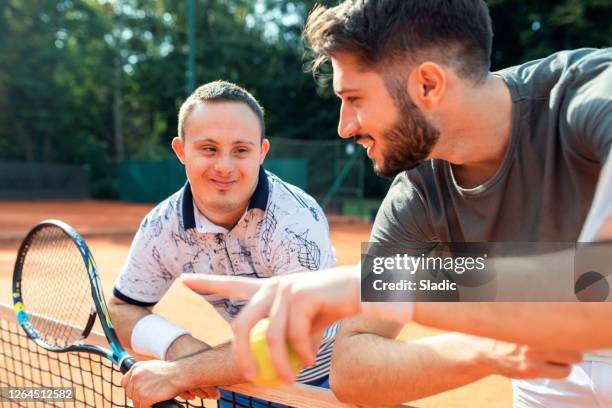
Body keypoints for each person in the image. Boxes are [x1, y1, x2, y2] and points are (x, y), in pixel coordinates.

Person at [182, 1, 611, 407]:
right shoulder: (418, 188)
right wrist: (487, 348)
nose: (344, 126)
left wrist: (378, 285)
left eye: (354, 99)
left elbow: (601, 285)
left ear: (428, 84)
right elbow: (351, 367)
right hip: (548, 367)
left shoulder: (592, 95)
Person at [109, 80, 339, 408]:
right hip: (244, 379)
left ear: (261, 152)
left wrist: (184, 373)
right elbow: (121, 310)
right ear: (181, 150)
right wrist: (176, 346)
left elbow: (294, 342)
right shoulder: (162, 227)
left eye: (241, 150)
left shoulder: (295, 220)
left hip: (326, 382)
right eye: (209, 148)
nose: (224, 167)